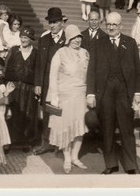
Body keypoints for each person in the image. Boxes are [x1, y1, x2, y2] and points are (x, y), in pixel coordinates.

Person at [87, 12, 140, 174]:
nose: (111, 27)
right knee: (107, 129)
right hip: (105, 92)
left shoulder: (130, 43)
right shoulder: (98, 43)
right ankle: (111, 164)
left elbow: (137, 71)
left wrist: (138, 91)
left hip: (124, 92)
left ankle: (132, 165)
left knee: (127, 130)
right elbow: (91, 70)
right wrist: (91, 94)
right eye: (109, 24)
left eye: (114, 25)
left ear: (121, 26)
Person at [47, 25, 90, 173]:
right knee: (66, 128)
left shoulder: (85, 53)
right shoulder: (61, 52)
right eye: (73, 37)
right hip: (64, 96)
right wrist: (54, 97)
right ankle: (66, 158)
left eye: (79, 37)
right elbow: (52, 76)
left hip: (81, 96)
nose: (77, 40)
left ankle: (75, 157)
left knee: (79, 128)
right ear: (68, 39)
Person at [33, 7, 67, 155]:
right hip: (46, 83)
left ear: (61, 23)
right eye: (50, 22)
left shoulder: (68, 39)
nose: (52, 25)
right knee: (47, 113)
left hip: (63, 83)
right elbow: (39, 64)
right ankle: (46, 143)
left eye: (55, 22)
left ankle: (61, 144)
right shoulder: (44, 39)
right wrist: (38, 84)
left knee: (61, 113)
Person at [4, 26, 39, 151]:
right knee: (11, 113)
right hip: (14, 87)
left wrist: (37, 87)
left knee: (27, 114)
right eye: (22, 37)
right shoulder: (14, 51)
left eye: (26, 38)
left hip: (29, 89)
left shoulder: (36, 53)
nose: (23, 40)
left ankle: (25, 141)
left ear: (31, 39)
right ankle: (8, 142)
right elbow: (6, 68)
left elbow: (38, 71)